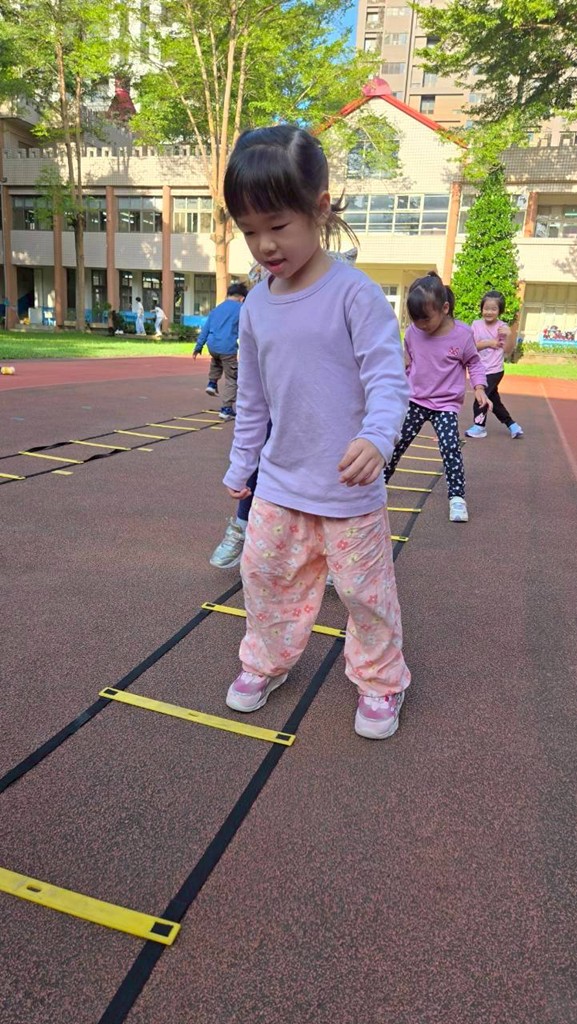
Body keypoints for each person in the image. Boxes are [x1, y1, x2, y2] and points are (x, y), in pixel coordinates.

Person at [220, 124, 411, 741]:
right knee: (264, 578)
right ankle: (266, 661)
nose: (264, 245)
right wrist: (242, 464)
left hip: (346, 487)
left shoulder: (354, 294)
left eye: (278, 225)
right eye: (249, 230)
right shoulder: (255, 305)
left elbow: (389, 379)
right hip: (279, 483)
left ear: (320, 209)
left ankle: (381, 680)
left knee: (364, 593)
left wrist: (377, 437)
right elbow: (253, 398)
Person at [384, 271, 491, 524]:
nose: (420, 324)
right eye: (415, 319)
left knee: (450, 447)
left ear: (444, 308)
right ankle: (377, 485)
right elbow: (408, 362)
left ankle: (457, 497)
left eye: (425, 318)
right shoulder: (413, 332)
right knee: (396, 443)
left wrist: (479, 387)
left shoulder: (462, 335)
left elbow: (474, 363)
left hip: (445, 404)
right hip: (416, 400)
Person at [464, 290, 524, 439]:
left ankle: (479, 426)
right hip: (479, 370)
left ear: (499, 311)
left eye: (493, 309)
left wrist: (509, 335)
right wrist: (489, 343)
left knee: (481, 398)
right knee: (495, 402)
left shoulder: (502, 327)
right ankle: (513, 425)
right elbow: (471, 347)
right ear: (481, 309)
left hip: (494, 370)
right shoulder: (476, 325)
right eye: (486, 308)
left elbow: (508, 350)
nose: (489, 312)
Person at [193, 282, 248, 421]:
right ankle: (226, 409)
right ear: (242, 298)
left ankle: (212, 383)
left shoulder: (216, 309)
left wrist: (198, 347)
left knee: (216, 360)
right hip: (227, 347)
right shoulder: (242, 309)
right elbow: (246, 329)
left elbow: (205, 329)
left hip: (212, 345)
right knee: (232, 378)